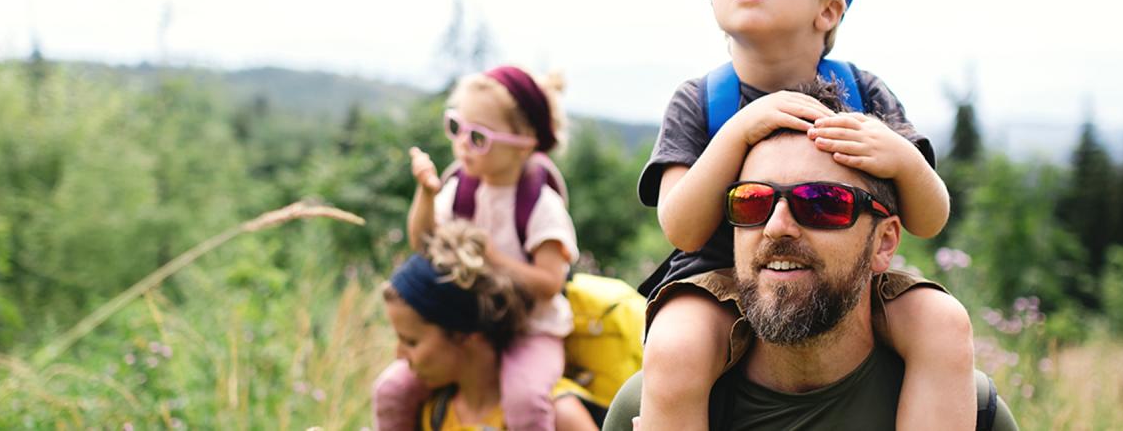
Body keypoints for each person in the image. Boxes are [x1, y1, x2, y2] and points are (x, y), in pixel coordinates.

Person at [637, 0, 975, 429]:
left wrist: (904, 162)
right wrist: (740, 131)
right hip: (717, 280)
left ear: (828, 8)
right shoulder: (700, 100)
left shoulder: (864, 92)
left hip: (843, 277)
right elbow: (681, 227)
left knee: (944, 323)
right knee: (674, 349)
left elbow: (928, 220)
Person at [605, 80, 1017, 430]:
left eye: (822, 203)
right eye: (751, 202)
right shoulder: (650, 405)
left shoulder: (972, 411)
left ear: (885, 242)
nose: (777, 225)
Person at [373, 65, 580, 430]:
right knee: (392, 390)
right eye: (456, 128)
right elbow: (423, 242)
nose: (462, 145)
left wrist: (493, 259)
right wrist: (427, 195)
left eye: (478, 137)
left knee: (526, 400)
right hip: (473, 326)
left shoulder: (539, 205)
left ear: (525, 142)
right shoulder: (461, 188)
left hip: (531, 328)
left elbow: (550, 283)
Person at [383, 220, 598, 430]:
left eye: (411, 342)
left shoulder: (558, 417)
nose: (399, 355)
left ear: (466, 335)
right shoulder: (427, 413)